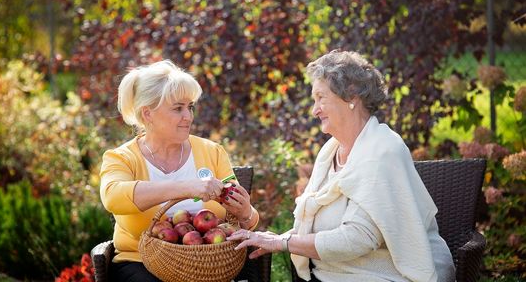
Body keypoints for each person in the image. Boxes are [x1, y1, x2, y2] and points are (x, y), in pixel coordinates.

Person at [228, 50, 455, 282]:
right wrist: (280, 237)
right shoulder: (330, 152)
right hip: (330, 274)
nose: (314, 110)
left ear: (351, 97)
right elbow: (318, 228)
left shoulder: (383, 152)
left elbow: (359, 238)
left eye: (321, 98)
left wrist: (282, 243)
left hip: (384, 275)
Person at [100, 60, 259, 282]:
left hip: (208, 265)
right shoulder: (122, 158)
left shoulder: (212, 152)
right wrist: (187, 187)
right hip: (141, 264)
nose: (189, 116)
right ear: (148, 114)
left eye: (190, 107)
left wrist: (245, 214)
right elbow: (113, 196)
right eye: (178, 108)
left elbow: (244, 219)